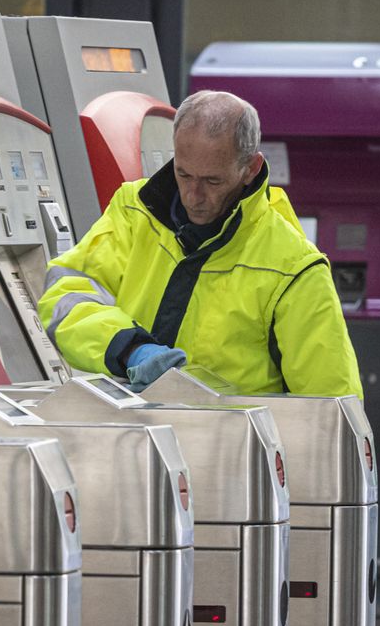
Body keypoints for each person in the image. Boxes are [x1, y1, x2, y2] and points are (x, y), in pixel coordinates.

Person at [38, 89, 362, 397]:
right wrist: (129, 348)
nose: (193, 196)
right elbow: (66, 295)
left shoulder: (293, 267)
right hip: (135, 432)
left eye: (212, 181)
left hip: (232, 438)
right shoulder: (134, 212)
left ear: (250, 169)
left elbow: (331, 404)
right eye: (184, 174)